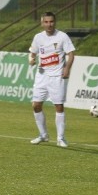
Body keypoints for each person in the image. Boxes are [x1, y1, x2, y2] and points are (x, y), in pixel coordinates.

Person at [28, 11, 75, 147]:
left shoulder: (62, 36)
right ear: (42, 23)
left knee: (59, 106)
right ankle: (43, 135)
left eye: (51, 22)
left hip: (57, 77)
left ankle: (61, 138)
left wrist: (67, 68)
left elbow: (71, 54)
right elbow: (32, 53)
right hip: (41, 76)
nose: (49, 24)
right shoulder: (38, 37)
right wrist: (31, 59)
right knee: (36, 105)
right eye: (46, 22)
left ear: (55, 22)